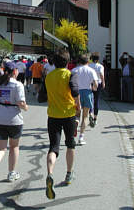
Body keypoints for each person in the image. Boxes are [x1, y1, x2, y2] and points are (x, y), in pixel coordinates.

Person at [44, 49, 81, 200]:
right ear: (67, 61)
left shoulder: (49, 76)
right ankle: (69, 174)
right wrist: (78, 108)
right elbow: (75, 93)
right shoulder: (69, 74)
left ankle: (50, 174)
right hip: (68, 114)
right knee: (70, 144)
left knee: (53, 147)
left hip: (53, 115)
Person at [0, 62, 28, 188]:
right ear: (15, 71)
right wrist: (25, 107)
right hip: (14, 119)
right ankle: (11, 173)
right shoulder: (17, 84)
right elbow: (21, 102)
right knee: (14, 147)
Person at [72, 54, 98, 145]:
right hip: (87, 92)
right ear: (88, 61)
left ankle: (75, 124)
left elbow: (70, 83)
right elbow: (95, 84)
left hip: (76, 94)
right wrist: (94, 88)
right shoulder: (91, 70)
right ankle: (81, 137)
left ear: (79, 61)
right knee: (85, 116)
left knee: (77, 114)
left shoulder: (74, 70)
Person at [89, 52, 105, 127]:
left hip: (90, 83)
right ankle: (95, 118)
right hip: (98, 83)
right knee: (96, 100)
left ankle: (90, 113)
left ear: (92, 59)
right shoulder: (100, 66)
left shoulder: (89, 65)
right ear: (98, 59)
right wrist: (103, 82)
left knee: (90, 99)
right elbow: (101, 74)